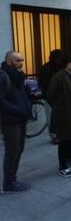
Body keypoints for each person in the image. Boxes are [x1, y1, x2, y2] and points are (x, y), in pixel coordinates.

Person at [0, 51, 31, 193]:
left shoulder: (18, 76)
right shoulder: (3, 76)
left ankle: (13, 178)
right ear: (9, 61)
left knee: (19, 149)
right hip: (10, 120)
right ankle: (8, 183)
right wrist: (17, 109)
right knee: (12, 151)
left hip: (21, 118)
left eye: (22, 60)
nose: (21, 63)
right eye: (17, 60)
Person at [47, 56, 71, 178]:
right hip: (63, 113)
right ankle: (63, 165)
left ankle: (70, 158)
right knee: (64, 138)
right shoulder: (59, 77)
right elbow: (50, 95)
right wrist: (58, 107)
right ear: (65, 64)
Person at [38, 49, 65, 144]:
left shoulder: (61, 67)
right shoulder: (46, 68)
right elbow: (42, 82)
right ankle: (54, 135)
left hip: (60, 96)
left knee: (59, 116)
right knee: (51, 117)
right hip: (49, 96)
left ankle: (60, 133)